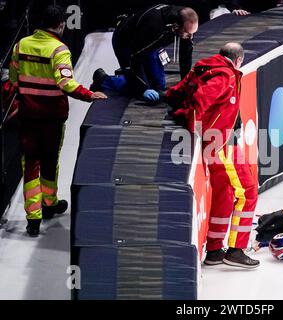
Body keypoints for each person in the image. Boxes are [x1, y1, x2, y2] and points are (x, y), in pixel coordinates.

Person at [8, 5, 107, 236]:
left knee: (30, 165)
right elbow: (66, 84)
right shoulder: (59, 50)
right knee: (50, 162)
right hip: (51, 119)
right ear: (61, 24)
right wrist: (90, 94)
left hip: (27, 117)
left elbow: (12, 80)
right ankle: (49, 204)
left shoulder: (21, 45)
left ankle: (33, 219)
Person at [164, 42, 259, 269]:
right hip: (221, 143)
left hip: (219, 141)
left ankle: (215, 250)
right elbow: (199, 102)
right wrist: (195, 129)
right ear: (238, 60)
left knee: (225, 193)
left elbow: (177, 92)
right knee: (248, 192)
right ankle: (236, 250)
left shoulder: (207, 67)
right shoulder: (224, 76)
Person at [90, 4, 199, 102]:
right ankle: (103, 79)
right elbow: (134, 57)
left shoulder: (184, 19)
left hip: (152, 44)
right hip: (126, 43)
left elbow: (186, 53)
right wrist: (143, 89)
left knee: (159, 87)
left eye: (192, 33)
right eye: (188, 34)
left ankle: (143, 83)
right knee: (141, 90)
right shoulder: (155, 28)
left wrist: (186, 82)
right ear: (175, 26)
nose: (190, 37)